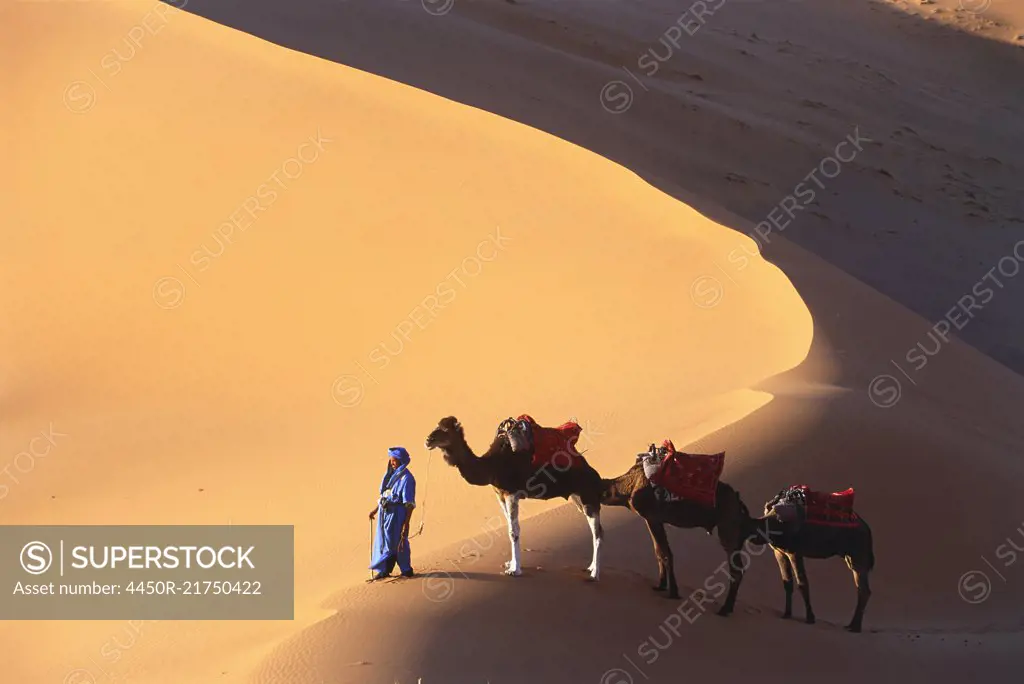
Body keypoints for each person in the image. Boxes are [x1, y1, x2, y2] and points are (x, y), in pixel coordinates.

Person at [368, 446, 416, 580]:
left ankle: (406, 570)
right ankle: (385, 569)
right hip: (385, 516)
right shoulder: (390, 476)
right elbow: (385, 495)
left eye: (394, 461)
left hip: (397, 515)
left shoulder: (407, 478)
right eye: (391, 461)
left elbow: (409, 503)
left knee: (399, 542)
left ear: (401, 461)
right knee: (385, 542)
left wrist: (406, 523)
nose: (392, 463)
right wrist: (376, 509)